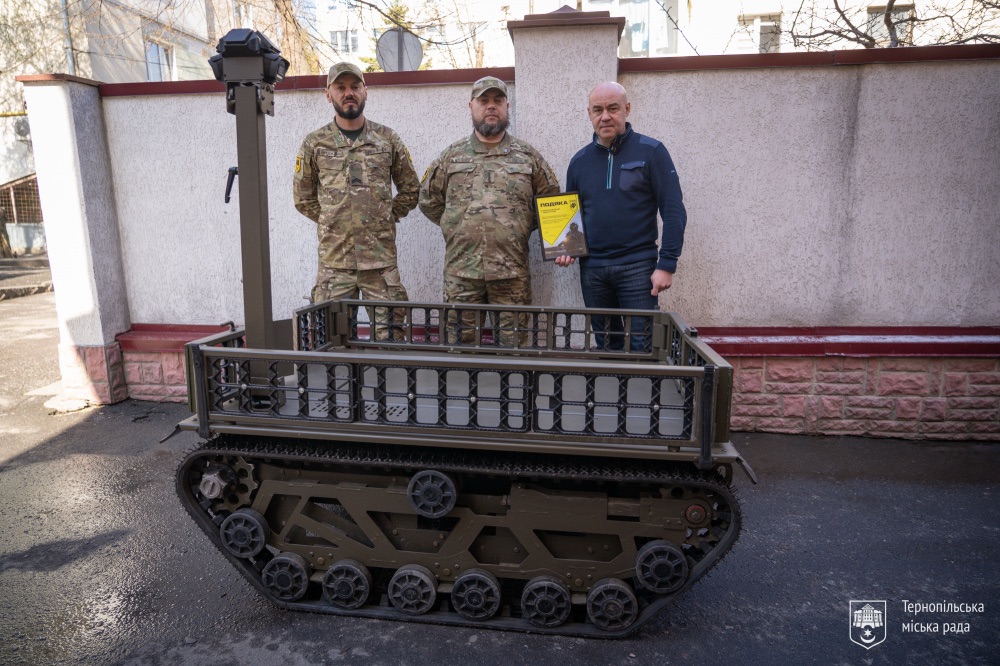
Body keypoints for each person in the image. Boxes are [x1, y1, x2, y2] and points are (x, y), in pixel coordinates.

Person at [419, 76, 560, 346]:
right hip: (462, 273)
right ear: (471, 106)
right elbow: (428, 200)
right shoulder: (451, 156)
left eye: (497, 100)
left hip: (512, 274)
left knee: (514, 351)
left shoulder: (527, 156)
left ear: (507, 106)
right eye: (483, 101)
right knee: (460, 350)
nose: (491, 106)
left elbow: (550, 202)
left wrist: (519, 226)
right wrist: (458, 226)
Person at [556, 81, 687, 352]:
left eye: (613, 108)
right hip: (593, 270)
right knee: (606, 345)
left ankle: (639, 382)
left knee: (642, 346)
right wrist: (565, 247)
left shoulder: (652, 152)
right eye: (598, 110)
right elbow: (572, 217)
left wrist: (667, 264)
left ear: (627, 109)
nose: (605, 116)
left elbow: (673, 210)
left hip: (637, 267)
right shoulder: (579, 162)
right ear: (589, 114)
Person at [293, 62, 419, 339]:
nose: (348, 93)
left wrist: (385, 216)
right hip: (334, 266)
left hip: (380, 265)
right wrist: (333, 220)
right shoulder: (315, 143)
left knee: (392, 341)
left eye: (355, 86)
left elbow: (411, 189)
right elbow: (303, 198)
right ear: (328, 95)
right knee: (333, 343)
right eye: (340, 87)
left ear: (365, 92)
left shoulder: (387, 139)